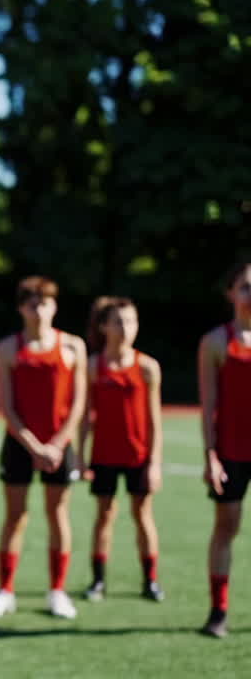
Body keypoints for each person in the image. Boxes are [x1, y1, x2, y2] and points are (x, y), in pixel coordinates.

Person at [0, 276, 87, 620]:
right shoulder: (8, 348)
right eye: (32, 303)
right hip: (20, 445)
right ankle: (5, 591)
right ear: (21, 309)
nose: (39, 310)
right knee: (15, 516)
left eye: (45, 302)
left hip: (60, 446)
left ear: (54, 307)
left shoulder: (72, 346)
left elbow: (78, 402)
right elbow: (7, 407)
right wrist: (33, 445)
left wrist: (56, 444)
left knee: (58, 515)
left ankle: (57, 590)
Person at [77, 297, 164, 603]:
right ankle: (98, 580)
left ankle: (150, 580)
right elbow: (86, 416)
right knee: (104, 515)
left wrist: (154, 463)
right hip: (104, 455)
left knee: (142, 514)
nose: (126, 328)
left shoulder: (147, 367)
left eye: (131, 321)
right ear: (103, 327)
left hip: (138, 455)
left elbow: (154, 419)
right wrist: (80, 453)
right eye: (118, 322)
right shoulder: (92, 366)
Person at [197, 261, 251, 638]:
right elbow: (209, 402)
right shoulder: (217, 341)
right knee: (226, 526)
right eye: (245, 286)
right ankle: (218, 611)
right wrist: (211, 455)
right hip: (232, 450)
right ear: (231, 294)